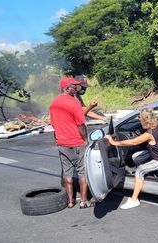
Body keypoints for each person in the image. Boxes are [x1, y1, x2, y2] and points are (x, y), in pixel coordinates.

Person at [105, 108, 158, 209]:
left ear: (145, 121)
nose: (140, 121)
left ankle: (134, 200)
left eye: (140, 120)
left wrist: (114, 142)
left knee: (139, 171)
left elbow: (133, 142)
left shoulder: (149, 134)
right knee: (135, 156)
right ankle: (142, 178)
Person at [49, 77, 94, 209]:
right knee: (82, 172)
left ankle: (70, 201)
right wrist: (85, 140)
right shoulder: (74, 103)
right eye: (74, 87)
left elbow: (53, 125)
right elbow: (81, 125)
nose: (76, 89)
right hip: (76, 143)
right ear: (67, 88)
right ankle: (84, 201)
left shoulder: (53, 104)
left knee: (67, 173)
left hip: (62, 144)